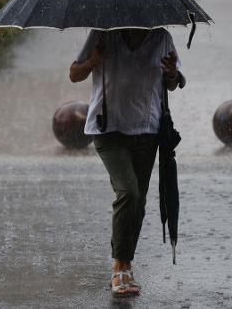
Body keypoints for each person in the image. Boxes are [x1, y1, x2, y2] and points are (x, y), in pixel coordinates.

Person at [69, 27, 183, 297]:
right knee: (128, 192)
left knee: (138, 202)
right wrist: (94, 61)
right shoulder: (102, 34)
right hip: (108, 129)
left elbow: (172, 82)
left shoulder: (162, 36)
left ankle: (125, 264)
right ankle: (119, 266)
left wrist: (172, 73)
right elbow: (74, 73)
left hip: (147, 127)